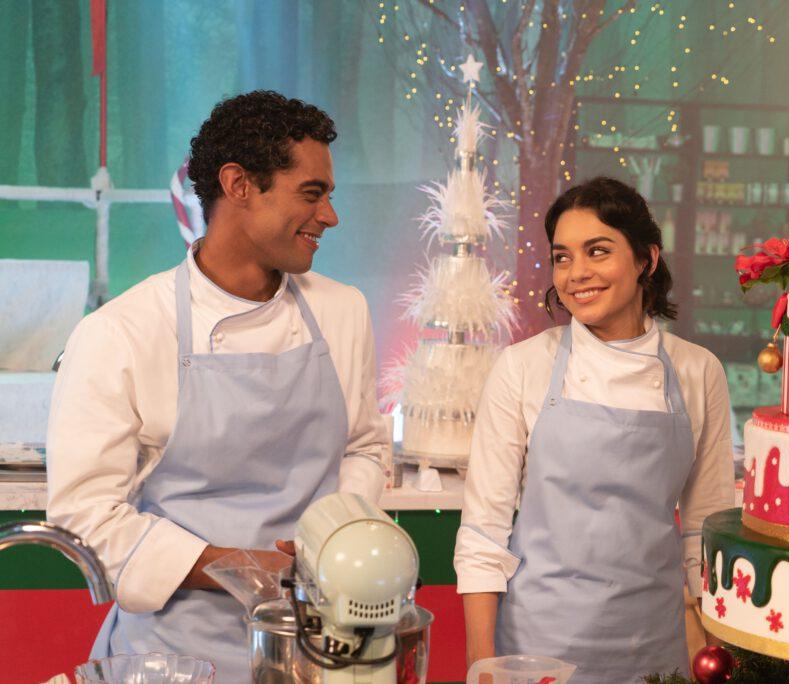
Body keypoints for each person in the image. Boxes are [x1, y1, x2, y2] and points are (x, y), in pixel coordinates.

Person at [46, 91, 389, 680]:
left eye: (329, 195)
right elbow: (84, 515)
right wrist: (239, 567)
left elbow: (363, 446)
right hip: (174, 653)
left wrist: (328, 549)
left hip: (320, 642)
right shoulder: (121, 333)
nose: (329, 216)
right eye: (312, 194)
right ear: (238, 185)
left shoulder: (343, 311)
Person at [454, 177, 735, 683]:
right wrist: (482, 666)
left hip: (655, 648)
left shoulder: (698, 372)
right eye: (562, 257)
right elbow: (483, 533)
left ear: (646, 259)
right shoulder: (523, 367)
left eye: (597, 251)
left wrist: (720, 656)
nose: (576, 273)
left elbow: (704, 532)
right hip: (539, 652)